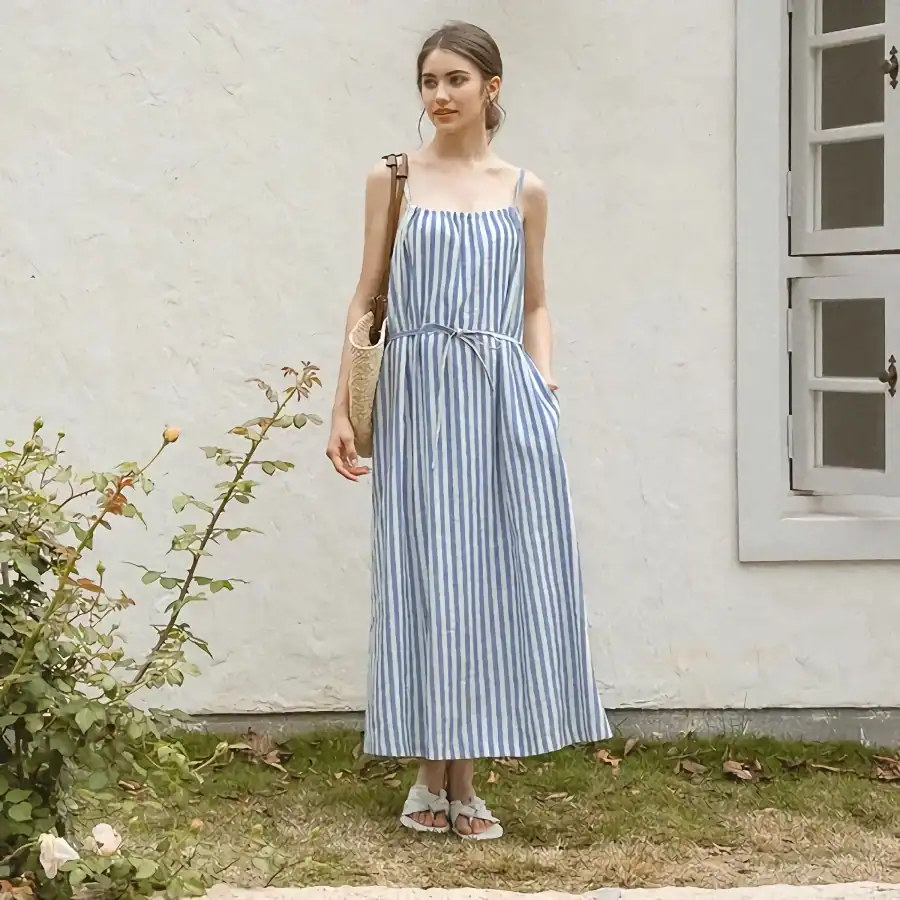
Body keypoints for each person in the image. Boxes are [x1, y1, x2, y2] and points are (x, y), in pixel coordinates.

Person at [326, 21, 611, 841]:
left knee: (488, 577)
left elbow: (537, 302)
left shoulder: (526, 187)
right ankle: (431, 775)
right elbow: (366, 297)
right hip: (417, 395)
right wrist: (341, 405)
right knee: (428, 574)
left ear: (491, 86)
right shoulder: (393, 178)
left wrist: (543, 379)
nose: (439, 95)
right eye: (427, 81)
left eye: (455, 79)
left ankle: (465, 779)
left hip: (501, 396)